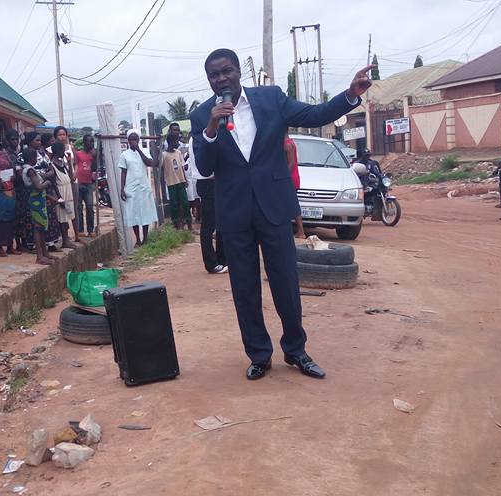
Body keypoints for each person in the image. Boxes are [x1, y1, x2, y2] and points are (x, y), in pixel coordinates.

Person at [190, 48, 374, 381]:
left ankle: (296, 350)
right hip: (234, 215)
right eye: (213, 75)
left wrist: (350, 95)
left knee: (286, 283)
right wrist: (213, 124)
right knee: (244, 289)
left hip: (273, 207)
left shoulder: (271, 98)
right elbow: (204, 167)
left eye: (226, 71)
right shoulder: (203, 114)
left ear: (237, 73)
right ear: (209, 80)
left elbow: (315, 114)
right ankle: (259, 355)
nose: (221, 79)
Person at [188, 133, 226, 274]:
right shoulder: (198, 139)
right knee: (208, 225)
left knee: (221, 222)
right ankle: (211, 263)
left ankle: (222, 259)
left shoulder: (202, 136)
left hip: (214, 182)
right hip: (207, 181)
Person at [119, 129, 158, 246]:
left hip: (143, 187)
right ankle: (138, 239)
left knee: (145, 213)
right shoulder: (124, 155)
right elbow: (123, 172)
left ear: (139, 140)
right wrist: (122, 189)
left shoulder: (144, 151)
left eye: (135, 139)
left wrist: (139, 150)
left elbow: (150, 163)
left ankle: (145, 238)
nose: (133, 141)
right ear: (128, 141)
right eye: (131, 139)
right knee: (133, 213)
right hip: (131, 188)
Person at [20, 147, 56, 265]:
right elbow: (39, 187)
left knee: (41, 227)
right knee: (38, 227)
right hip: (35, 201)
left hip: (38, 200)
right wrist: (47, 183)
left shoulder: (27, 169)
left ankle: (44, 253)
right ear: (31, 158)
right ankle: (39, 256)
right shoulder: (30, 170)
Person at [51, 126, 80, 242]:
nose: (62, 137)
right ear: (55, 136)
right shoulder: (51, 150)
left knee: (74, 207)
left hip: (72, 180)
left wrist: (75, 174)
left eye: (64, 134)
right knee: (62, 209)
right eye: (60, 135)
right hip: (60, 183)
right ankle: (64, 236)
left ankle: (77, 235)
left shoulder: (70, 148)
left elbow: (76, 164)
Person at [160, 132, 192, 230]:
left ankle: (189, 223)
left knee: (185, 203)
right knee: (174, 204)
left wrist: (185, 179)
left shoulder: (178, 153)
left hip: (181, 181)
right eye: (176, 141)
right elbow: (161, 168)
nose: (178, 143)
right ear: (170, 142)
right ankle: (177, 224)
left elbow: (182, 167)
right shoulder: (164, 155)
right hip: (171, 182)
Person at [50, 142, 77, 249]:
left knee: (67, 216)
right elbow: (53, 183)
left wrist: (69, 163)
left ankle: (66, 240)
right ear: (57, 151)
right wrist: (59, 197)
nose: (64, 152)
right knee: (62, 218)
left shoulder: (62, 163)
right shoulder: (52, 165)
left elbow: (71, 176)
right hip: (61, 192)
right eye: (62, 150)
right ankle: (65, 240)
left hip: (68, 189)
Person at [284, 135, 306, 238]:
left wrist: (284, 177)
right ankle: (300, 231)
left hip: (290, 178)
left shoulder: (287, 144)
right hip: (293, 177)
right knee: (292, 204)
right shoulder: (290, 142)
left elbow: (291, 163)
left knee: (293, 205)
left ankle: (301, 231)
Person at [75, 134, 97, 237]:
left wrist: (95, 157)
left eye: (92, 141)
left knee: (89, 206)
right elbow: (75, 165)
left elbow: (94, 169)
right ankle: (80, 230)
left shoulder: (93, 155)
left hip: (88, 183)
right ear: (84, 142)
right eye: (89, 141)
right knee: (79, 207)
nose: (91, 144)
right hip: (79, 183)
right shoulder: (78, 154)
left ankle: (90, 229)